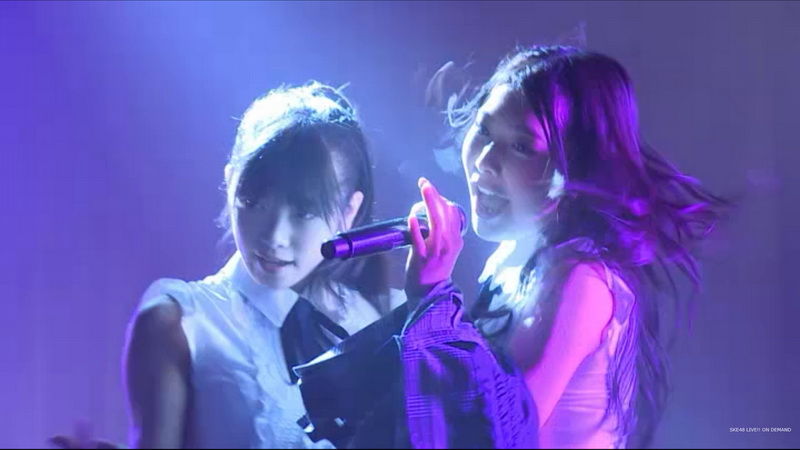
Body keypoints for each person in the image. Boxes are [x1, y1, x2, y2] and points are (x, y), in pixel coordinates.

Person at [55, 81, 405, 449]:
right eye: (253, 202)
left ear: (349, 211)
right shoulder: (182, 320)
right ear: (229, 183)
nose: (274, 236)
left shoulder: (391, 316)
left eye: (304, 211)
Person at [420, 45, 727, 448]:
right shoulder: (514, 254)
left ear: (573, 167)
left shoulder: (581, 280)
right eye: (484, 131)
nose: (484, 162)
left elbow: (503, 433)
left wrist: (431, 294)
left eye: (521, 146)